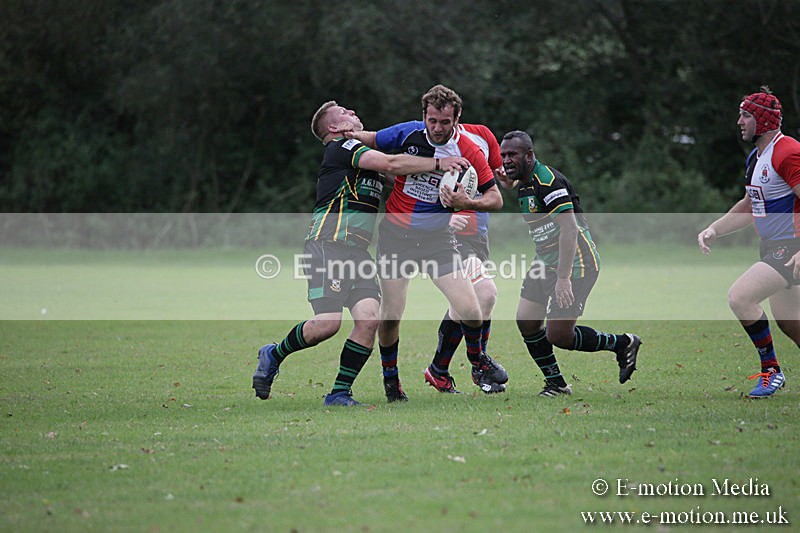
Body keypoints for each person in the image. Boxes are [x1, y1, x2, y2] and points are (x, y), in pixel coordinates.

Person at [252, 101, 469, 407]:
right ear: (334, 127)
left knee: (369, 319)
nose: (354, 113)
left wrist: (453, 195)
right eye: (345, 113)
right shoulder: (342, 147)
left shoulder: (362, 155)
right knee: (328, 324)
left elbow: (407, 185)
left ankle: (339, 392)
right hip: (328, 245)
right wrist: (437, 164)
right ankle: (273, 352)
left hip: (357, 252)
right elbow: (393, 165)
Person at [344, 84, 505, 401]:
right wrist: (343, 134)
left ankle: (477, 360)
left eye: (445, 122)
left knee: (471, 309)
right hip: (396, 237)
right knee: (391, 316)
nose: (437, 128)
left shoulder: (468, 150)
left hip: (437, 239)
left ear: (457, 118)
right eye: (432, 120)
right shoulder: (408, 134)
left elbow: (496, 198)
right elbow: (371, 139)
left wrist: (467, 201)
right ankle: (392, 382)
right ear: (424, 116)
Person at [497, 130, 641, 397]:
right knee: (527, 321)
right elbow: (525, 189)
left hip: (577, 262)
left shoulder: (548, 181)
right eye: (503, 154)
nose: (506, 160)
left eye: (512, 155)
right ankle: (557, 384)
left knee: (559, 335)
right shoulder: (526, 179)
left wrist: (563, 279)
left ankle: (623, 343)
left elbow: (570, 230)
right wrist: (508, 182)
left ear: (529, 155)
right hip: (545, 260)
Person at [698, 87, 800, 398]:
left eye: (746, 115)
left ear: (764, 120)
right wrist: (715, 229)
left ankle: (771, 372)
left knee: (740, 297)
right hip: (774, 247)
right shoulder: (757, 157)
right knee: (791, 324)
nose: (739, 121)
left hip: (791, 247)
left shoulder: (788, 152)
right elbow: (748, 204)